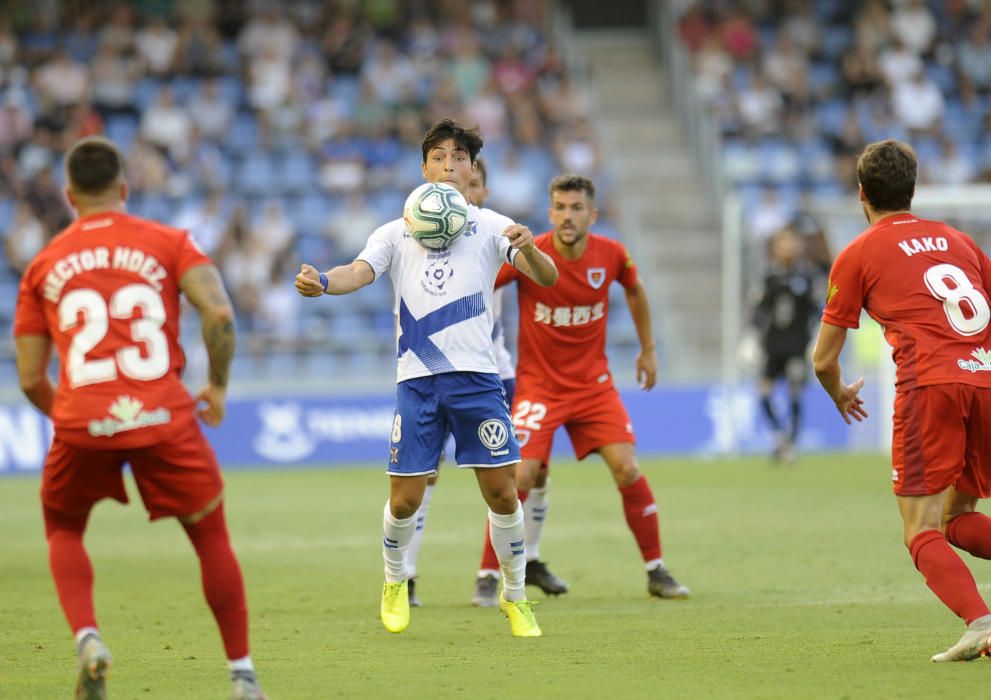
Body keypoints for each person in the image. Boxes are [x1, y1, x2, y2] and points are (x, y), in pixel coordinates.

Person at [13, 137, 265, 699]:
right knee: (209, 535)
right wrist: (218, 387)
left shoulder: (44, 264)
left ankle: (88, 639)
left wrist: (78, 417)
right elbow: (220, 312)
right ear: (124, 189)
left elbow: (30, 376)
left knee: (62, 527)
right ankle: (243, 676)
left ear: (69, 194)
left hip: (82, 420)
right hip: (163, 416)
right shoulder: (167, 241)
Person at [294, 119, 558, 637]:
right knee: (405, 500)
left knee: (503, 494)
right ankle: (395, 583)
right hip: (417, 382)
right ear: (424, 168)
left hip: (478, 380)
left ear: (472, 170)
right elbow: (358, 271)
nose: (449, 166)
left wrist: (529, 248)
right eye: (439, 157)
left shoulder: (490, 225)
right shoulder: (395, 231)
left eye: (459, 157)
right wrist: (323, 282)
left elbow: (547, 276)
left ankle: (516, 596)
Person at [472, 174, 690, 601]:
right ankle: (488, 574)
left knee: (627, 467)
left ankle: (656, 569)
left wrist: (648, 350)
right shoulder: (531, 255)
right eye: (560, 207)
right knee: (521, 475)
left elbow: (635, 290)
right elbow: (480, 283)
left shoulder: (612, 255)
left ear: (592, 214)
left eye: (576, 208)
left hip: (593, 386)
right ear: (550, 212)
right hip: (538, 386)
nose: (567, 216)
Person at [813, 139, 991, 662]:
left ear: (862, 194)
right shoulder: (959, 241)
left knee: (920, 530)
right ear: (914, 190)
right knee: (956, 517)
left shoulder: (859, 252)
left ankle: (980, 623)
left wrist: (840, 394)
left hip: (930, 386)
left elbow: (823, 360)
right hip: (984, 380)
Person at [404, 157, 563, 608]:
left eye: (470, 188)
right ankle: (408, 575)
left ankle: (520, 562)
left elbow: (542, 275)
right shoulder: (423, 239)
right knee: (425, 476)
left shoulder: (493, 238)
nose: (459, 199)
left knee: (524, 473)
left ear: (482, 194)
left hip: (495, 373)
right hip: (432, 370)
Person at [752, 226, 821, 463]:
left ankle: (791, 442)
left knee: (794, 391)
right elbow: (759, 311)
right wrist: (752, 338)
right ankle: (780, 438)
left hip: (796, 346)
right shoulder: (770, 277)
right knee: (763, 391)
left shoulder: (807, 277)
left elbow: (817, 312)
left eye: (792, 242)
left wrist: (816, 339)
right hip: (772, 346)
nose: (788, 247)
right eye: (783, 242)